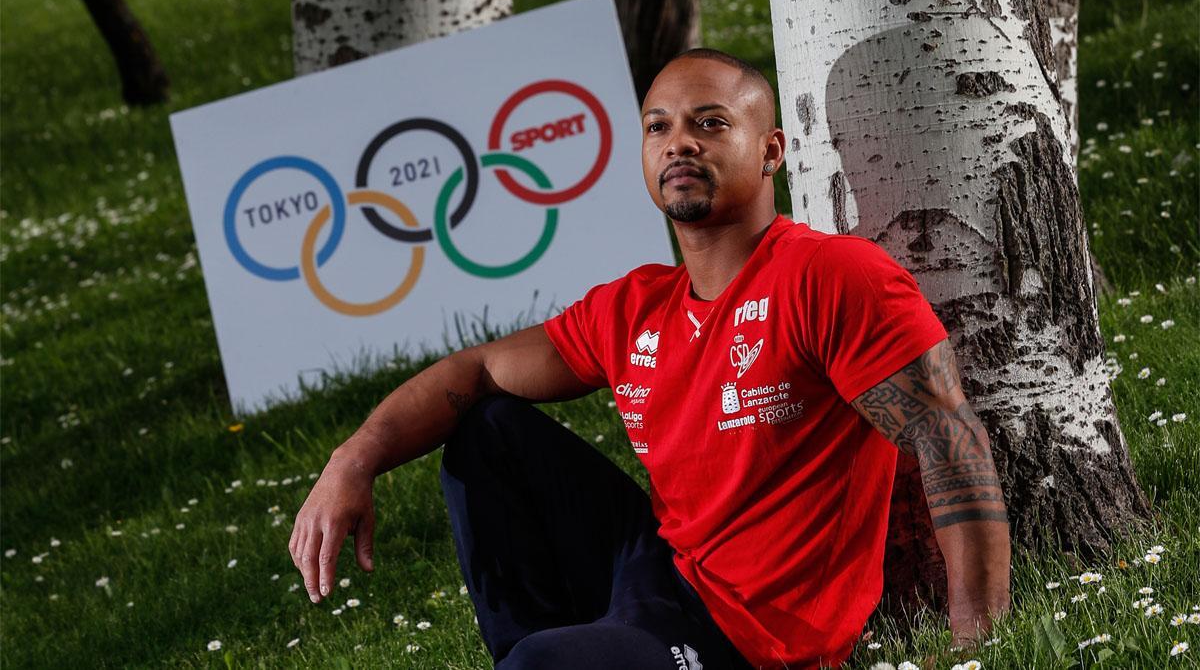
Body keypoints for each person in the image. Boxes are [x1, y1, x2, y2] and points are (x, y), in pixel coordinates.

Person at [289, 48, 1012, 669]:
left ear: (771, 152)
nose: (680, 143)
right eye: (658, 127)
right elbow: (475, 370)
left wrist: (977, 639)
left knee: (546, 665)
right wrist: (352, 460)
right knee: (489, 430)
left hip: (750, 636)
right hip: (659, 570)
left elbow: (945, 433)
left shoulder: (829, 276)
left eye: (711, 123)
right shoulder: (636, 305)